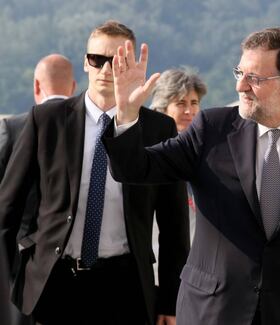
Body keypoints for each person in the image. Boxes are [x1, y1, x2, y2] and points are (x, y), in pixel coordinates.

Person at [103, 27, 280, 325]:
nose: (240, 86)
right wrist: (125, 116)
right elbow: (136, 168)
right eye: (238, 73)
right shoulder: (211, 129)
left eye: (254, 78)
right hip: (212, 311)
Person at [0, 20, 189, 325]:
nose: (105, 69)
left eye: (116, 61)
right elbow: (7, 210)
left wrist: (170, 299)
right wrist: (14, 282)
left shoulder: (159, 129)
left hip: (126, 285)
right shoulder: (46, 120)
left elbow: (174, 227)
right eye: (96, 60)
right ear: (85, 63)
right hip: (53, 284)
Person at [0, 53, 76, 325]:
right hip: (79, 264)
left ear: (36, 86)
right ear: (74, 87)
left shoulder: (13, 127)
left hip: (22, 263)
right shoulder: (92, 129)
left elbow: (4, 204)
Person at [150, 68, 207, 249]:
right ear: (162, 107)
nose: (189, 111)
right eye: (181, 103)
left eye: (194, 102)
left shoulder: (207, 150)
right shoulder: (152, 154)